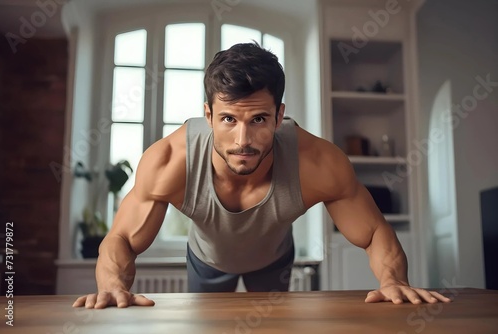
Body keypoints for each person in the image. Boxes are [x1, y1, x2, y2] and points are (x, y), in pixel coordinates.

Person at [73, 43, 450, 309]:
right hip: (206, 259)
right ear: (208, 116)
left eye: (258, 120)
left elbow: (374, 233)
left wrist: (393, 282)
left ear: (279, 115)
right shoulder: (170, 160)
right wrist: (111, 287)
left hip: (274, 258)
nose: (243, 140)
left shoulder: (318, 162)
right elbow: (121, 237)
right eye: (228, 119)